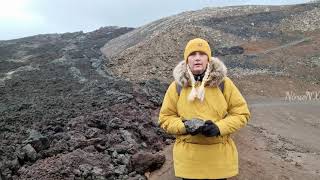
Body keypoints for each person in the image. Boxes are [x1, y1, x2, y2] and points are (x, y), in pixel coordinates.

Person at [158, 38, 251, 180]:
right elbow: (165, 118)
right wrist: (184, 126)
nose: (197, 58)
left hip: (219, 161)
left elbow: (241, 113)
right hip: (189, 163)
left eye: (202, 54)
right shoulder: (177, 86)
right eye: (192, 54)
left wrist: (219, 128)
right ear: (186, 59)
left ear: (208, 58)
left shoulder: (223, 83)